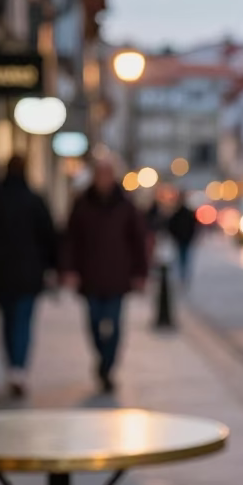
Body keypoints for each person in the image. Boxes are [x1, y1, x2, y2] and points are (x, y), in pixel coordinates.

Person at [0, 154, 57, 398]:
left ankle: (13, 366)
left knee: (8, 321)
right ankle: (18, 367)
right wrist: (50, 266)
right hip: (28, 274)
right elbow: (50, 237)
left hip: (2, 273)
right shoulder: (34, 200)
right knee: (23, 321)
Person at [62, 157, 148, 392]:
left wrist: (140, 272)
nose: (103, 180)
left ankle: (107, 367)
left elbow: (139, 241)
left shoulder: (125, 205)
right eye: (99, 175)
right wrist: (69, 269)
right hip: (89, 276)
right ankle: (101, 359)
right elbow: (71, 239)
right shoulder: (82, 204)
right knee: (93, 323)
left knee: (114, 324)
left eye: (107, 174)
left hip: (117, 276)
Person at [167, 190, 199, 288]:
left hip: (184, 239)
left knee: (183, 257)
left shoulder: (185, 213)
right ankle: (182, 276)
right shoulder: (179, 213)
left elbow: (194, 226)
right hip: (181, 239)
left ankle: (183, 276)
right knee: (182, 257)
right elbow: (171, 225)